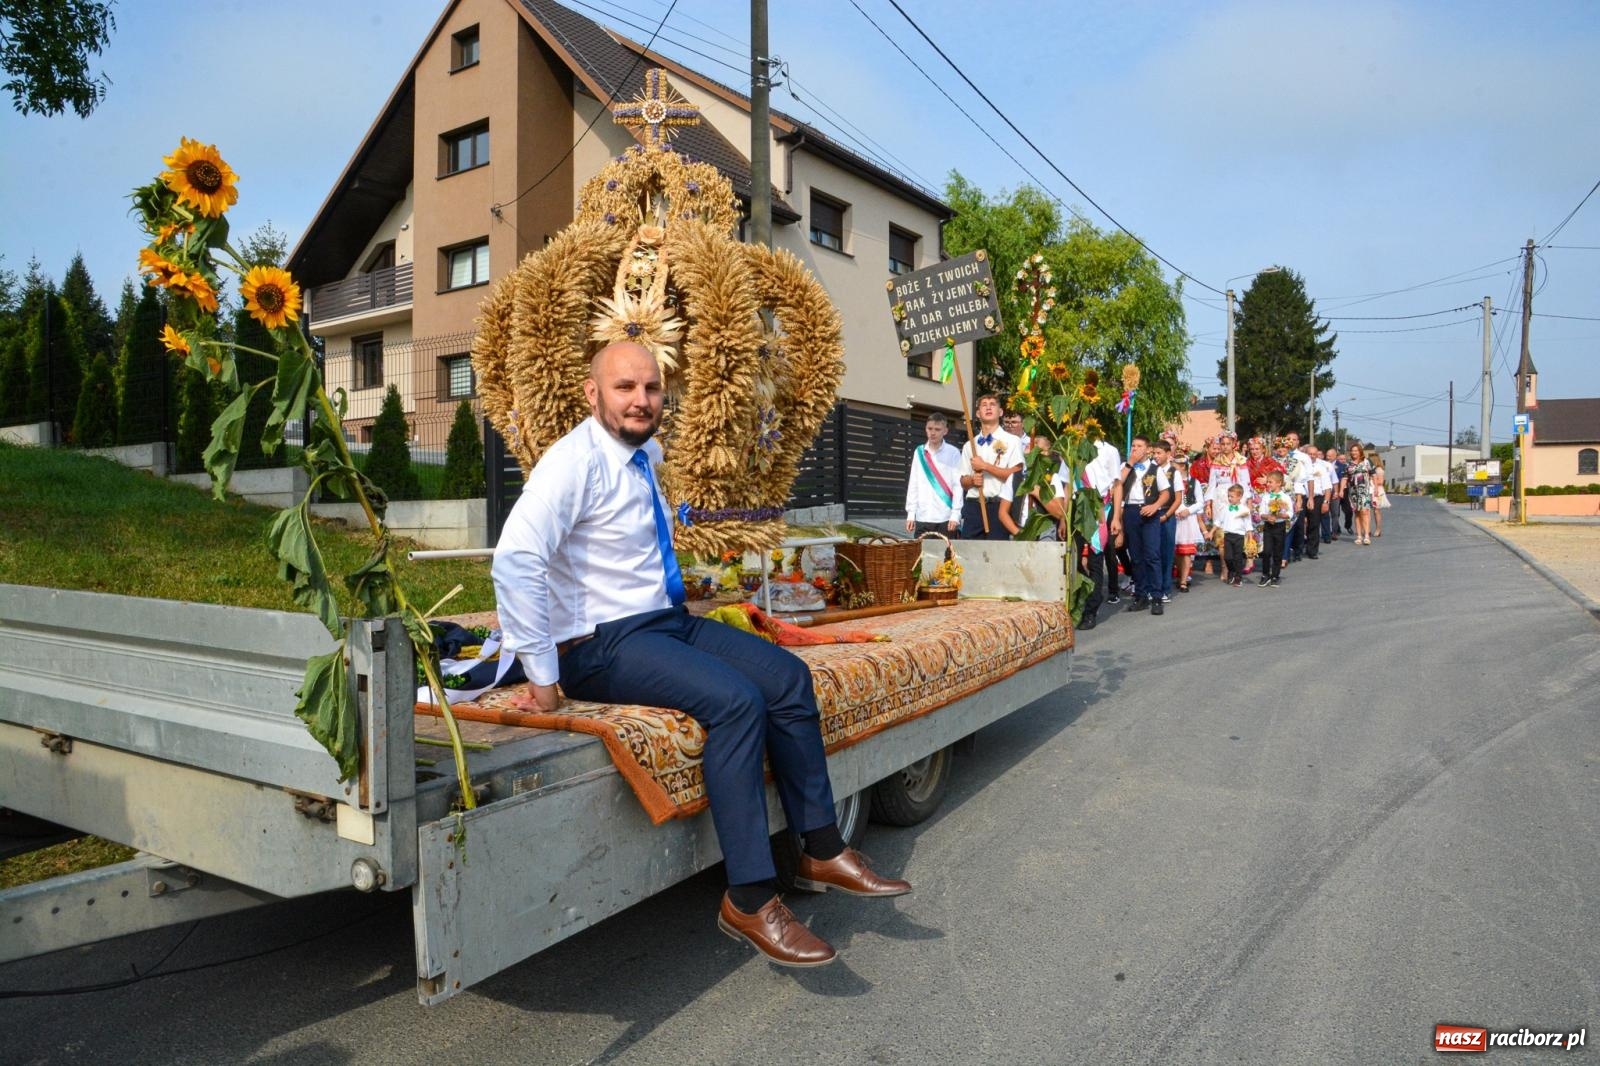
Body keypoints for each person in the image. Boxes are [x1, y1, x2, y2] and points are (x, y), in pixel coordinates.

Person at [492, 342, 909, 969]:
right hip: (600, 643)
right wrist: (543, 677)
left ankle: (820, 846)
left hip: (663, 622)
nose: (641, 400)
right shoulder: (572, 463)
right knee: (736, 702)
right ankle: (749, 897)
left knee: (789, 678)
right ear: (591, 393)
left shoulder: (644, 454)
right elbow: (516, 558)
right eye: (625, 386)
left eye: (652, 388)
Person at [1110, 434, 1172, 615]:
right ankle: (1141, 594)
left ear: (1147, 450)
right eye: (1133, 446)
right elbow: (1117, 485)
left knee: (1152, 554)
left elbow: (1166, 493)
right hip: (1130, 511)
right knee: (1136, 556)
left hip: (1149, 512)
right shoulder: (1125, 467)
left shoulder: (1155, 469)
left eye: (1138, 446)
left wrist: (1155, 506)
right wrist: (1129, 462)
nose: (1134, 449)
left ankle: (1157, 596)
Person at [958, 395, 1022, 540]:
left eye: (992, 404)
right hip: (974, 506)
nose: (988, 407)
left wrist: (985, 466)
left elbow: (1016, 476)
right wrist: (972, 480)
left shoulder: (1012, 441)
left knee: (996, 554)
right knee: (968, 554)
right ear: (978, 413)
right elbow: (963, 482)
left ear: (1000, 412)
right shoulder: (969, 445)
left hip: (999, 507)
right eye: (984, 405)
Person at [905, 412, 962, 538]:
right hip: (923, 515)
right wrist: (911, 513)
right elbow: (913, 483)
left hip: (946, 516)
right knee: (923, 555)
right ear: (925, 429)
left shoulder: (953, 452)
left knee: (948, 556)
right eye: (930, 429)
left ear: (945, 431)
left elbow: (957, 485)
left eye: (937, 429)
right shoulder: (919, 452)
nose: (933, 433)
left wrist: (955, 514)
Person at [1171, 450, 1205, 592]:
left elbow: (1200, 502)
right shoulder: (1170, 481)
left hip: (1188, 519)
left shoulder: (1193, 482)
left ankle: (1184, 580)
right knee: (1177, 551)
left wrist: (1188, 511)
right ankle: (1180, 576)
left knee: (1186, 551)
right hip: (1174, 517)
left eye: (1176, 466)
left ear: (1183, 466)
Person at [1254, 468, 1295, 586]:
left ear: (1279, 483)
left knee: (1278, 551)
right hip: (1268, 526)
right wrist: (1267, 516)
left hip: (1279, 526)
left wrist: (1282, 515)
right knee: (1266, 552)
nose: (1268, 484)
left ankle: (1275, 575)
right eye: (1268, 482)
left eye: (1270, 482)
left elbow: (1290, 513)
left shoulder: (1285, 497)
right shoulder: (1266, 496)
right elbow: (1261, 513)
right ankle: (1265, 574)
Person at [1152, 439, 1181, 603]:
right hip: (1152, 514)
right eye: (1154, 453)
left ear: (1168, 454)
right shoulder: (1151, 470)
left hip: (1167, 515)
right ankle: (1153, 586)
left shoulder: (1173, 472)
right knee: (1152, 552)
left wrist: (1167, 515)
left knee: (1166, 552)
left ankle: (1165, 588)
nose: (1156, 456)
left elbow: (1177, 499)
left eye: (1159, 453)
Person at [1217, 482, 1252, 586]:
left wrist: (1250, 536)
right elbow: (1218, 521)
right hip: (1228, 535)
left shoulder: (1244, 510)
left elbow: (1248, 524)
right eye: (1229, 496)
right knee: (1228, 557)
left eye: (1232, 496)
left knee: (1238, 558)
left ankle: (1238, 577)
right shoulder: (1225, 509)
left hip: (1239, 536)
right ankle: (1231, 572)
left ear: (1240, 497)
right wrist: (1211, 531)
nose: (1229, 498)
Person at [1345, 442, 1374, 544]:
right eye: (1352, 451)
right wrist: (1340, 490)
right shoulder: (1348, 464)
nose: (1354, 453)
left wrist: (1376, 489)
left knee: (1365, 512)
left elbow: (1373, 475)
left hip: (1364, 490)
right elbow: (1345, 478)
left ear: (1360, 451)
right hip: (1353, 491)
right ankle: (1359, 536)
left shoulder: (1367, 462)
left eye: (1356, 451)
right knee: (1357, 513)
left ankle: (1366, 535)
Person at [1370, 451, 1388, 537]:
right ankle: (1368, 529)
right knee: (1368, 510)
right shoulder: (1371, 470)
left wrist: (1372, 479)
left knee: (1376, 510)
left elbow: (1380, 482)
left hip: (1377, 491)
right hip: (1370, 489)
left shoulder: (1379, 470)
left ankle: (1378, 529)